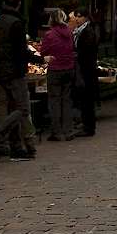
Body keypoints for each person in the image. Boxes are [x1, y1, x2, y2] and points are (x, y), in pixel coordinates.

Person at [0, 0, 37, 160]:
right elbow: (21, 51)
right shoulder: (16, 23)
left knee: (13, 109)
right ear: (19, 4)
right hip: (14, 72)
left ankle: (16, 148)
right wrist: (40, 59)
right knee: (22, 109)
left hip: (0, 72)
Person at [40, 10, 77, 141]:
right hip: (69, 68)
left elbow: (43, 51)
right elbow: (73, 48)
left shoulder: (49, 34)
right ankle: (68, 130)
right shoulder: (70, 33)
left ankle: (56, 131)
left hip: (55, 69)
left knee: (54, 100)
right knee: (66, 100)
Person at [70, 9, 100, 137]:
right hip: (84, 68)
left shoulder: (87, 31)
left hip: (86, 69)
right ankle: (86, 124)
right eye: (76, 16)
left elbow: (87, 51)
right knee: (84, 98)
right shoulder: (80, 31)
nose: (77, 19)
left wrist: (77, 55)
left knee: (87, 99)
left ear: (86, 17)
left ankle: (89, 127)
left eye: (79, 16)